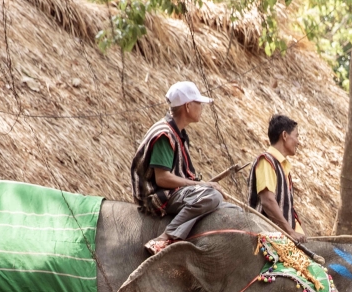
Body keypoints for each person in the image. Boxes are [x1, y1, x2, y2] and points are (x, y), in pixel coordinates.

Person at [130, 81, 225, 247]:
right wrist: (200, 185)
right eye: (198, 103)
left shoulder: (176, 132)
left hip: (173, 192)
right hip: (157, 196)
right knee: (211, 196)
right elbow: (162, 179)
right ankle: (166, 237)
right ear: (187, 106)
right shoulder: (165, 134)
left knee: (221, 201)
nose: (201, 107)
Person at [248, 114, 305, 242]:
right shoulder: (266, 161)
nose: (298, 142)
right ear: (284, 135)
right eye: (296, 136)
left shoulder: (283, 168)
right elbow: (267, 201)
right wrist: (290, 232)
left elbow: (287, 209)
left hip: (283, 239)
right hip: (267, 240)